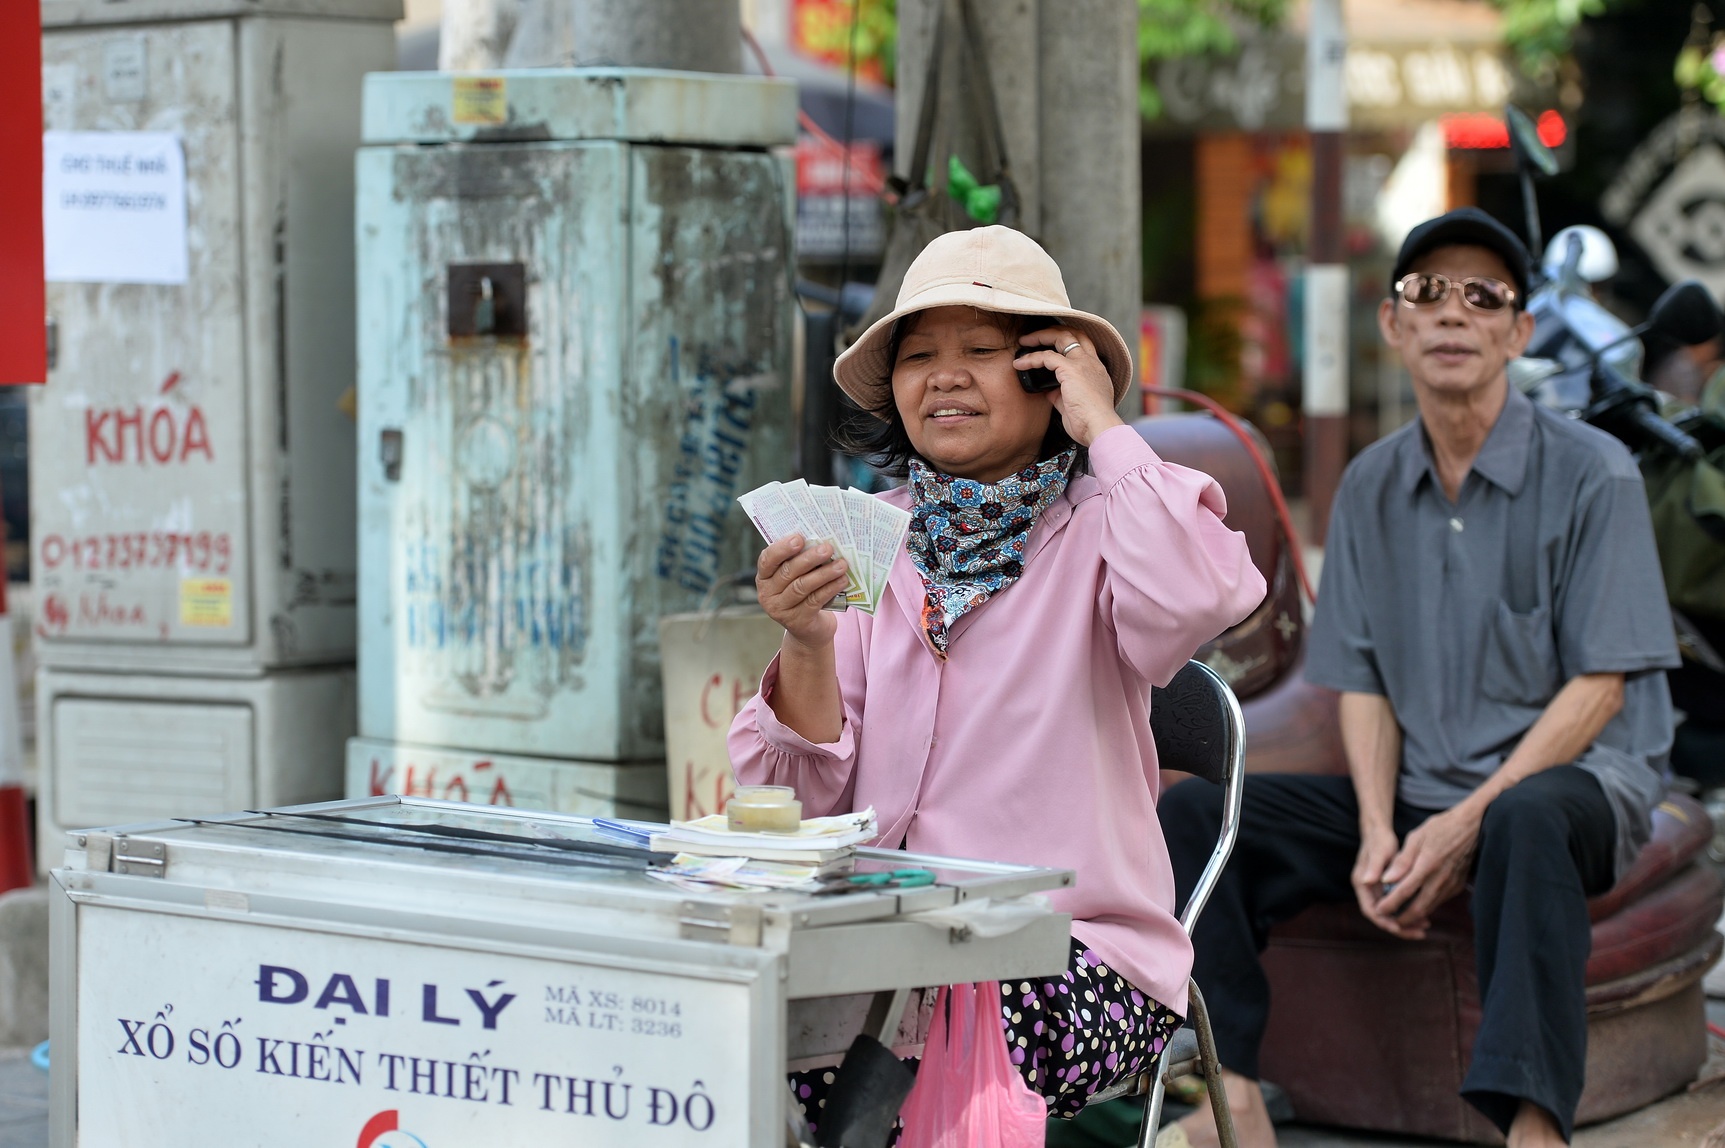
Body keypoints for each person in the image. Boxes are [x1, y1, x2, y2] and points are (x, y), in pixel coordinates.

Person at [1159, 208, 1680, 1148]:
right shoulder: (1369, 484)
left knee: (1523, 819)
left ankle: (1532, 1126)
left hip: (1575, 789)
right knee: (1199, 813)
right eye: (1426, 292)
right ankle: (1232, 1096)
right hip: (1420, 793)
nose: (1451, 313)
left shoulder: (1594, 473)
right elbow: (1359, 683)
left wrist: (1462, 822)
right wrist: (1373, 831)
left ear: (1518, 333)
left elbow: (1601, 689)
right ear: (1392, 325)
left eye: (1483, 296)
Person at [728, 225, 1265, 1133]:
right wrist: (807, 641)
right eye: (919, 356)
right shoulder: (861, 540)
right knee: (729, 1014)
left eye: (980, 351)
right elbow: (800, 812)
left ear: (1047, 376)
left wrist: (1102, 427)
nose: (944, 376)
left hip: (1076, 957)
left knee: (914, 1033)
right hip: (883, 946)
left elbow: (1201, 594)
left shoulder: (1107, 529)